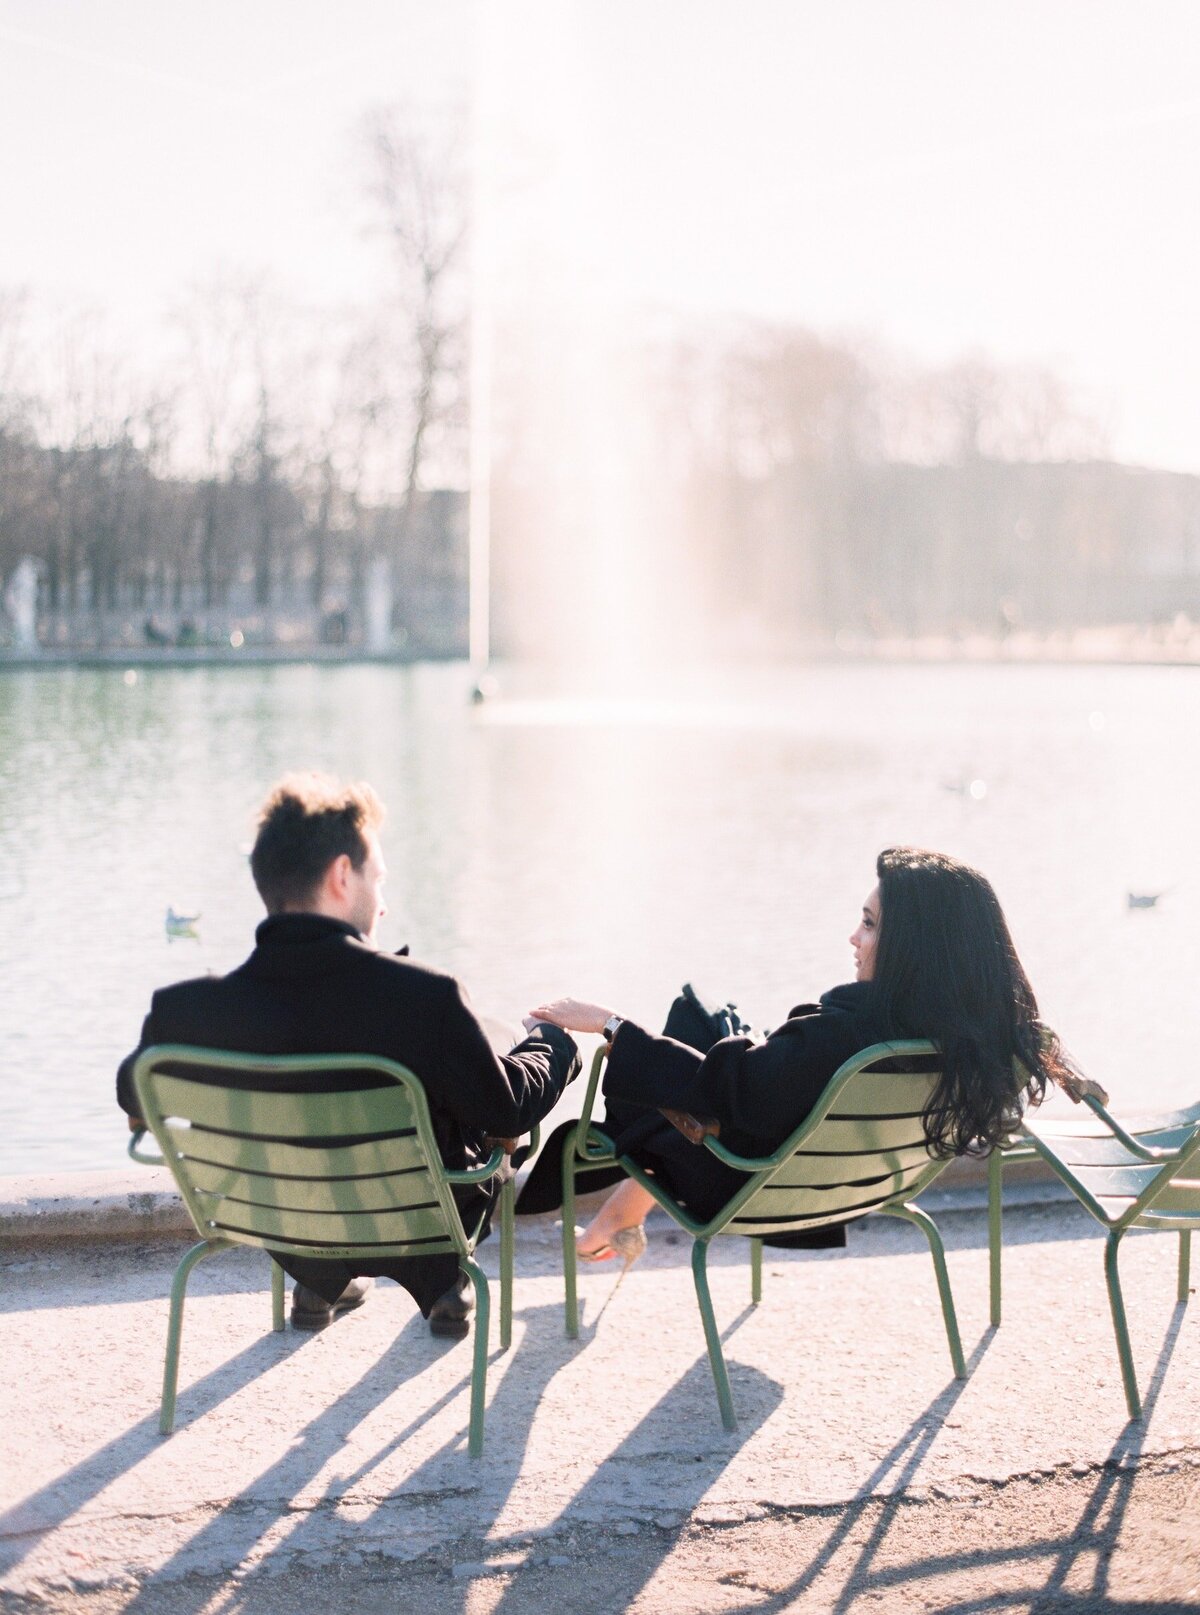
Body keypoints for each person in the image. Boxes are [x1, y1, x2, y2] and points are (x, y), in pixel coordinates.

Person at [117, 773, 579, 1335]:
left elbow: (131, 1091)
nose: (381, 902)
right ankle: (447, 1278)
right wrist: (553, 1042)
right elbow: (506, 1110)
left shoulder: (183, 1015)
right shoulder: (426, 997)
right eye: (376, 879)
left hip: (286, 1223)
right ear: (342, 875)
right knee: (490, 1120)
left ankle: (320, 1275)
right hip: (422, 1223)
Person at [527, 846, 1089, 1265]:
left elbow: (736, 1092)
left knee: (678, 1039)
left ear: (913, 948)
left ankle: (617, 1214)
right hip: (853, 1181)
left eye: (869, 925)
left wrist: (610, 1024)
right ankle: (620, 1214)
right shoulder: (981, 1035)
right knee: (706, 1018)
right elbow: (758, 1083)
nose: (853, 938)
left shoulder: (845, 1037)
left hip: (744, 1182)